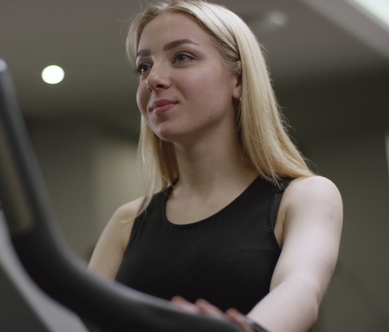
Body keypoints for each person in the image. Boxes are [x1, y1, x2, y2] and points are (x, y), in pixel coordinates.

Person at [87, 1, 343, 331]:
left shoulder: (303, 197)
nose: (153, 79)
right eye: (143, 67)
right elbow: (72, 319)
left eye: (181, 57)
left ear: (237, 79)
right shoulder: (127, 221)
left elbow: (301, 288)